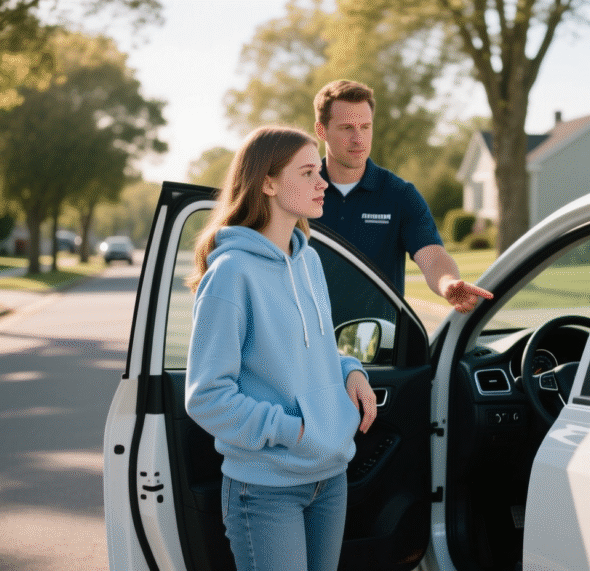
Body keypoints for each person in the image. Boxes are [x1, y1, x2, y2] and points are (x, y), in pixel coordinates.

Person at [184, 125, 377, 571]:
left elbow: (317, 349)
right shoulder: (231, 274)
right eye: (307, 173)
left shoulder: (307, 260)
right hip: (266, 489)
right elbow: (207, 396)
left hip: (329, 478)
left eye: (319, 172)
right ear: (267, 183)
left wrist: (352, 371)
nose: (322, 183)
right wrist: (294, 432)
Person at [313, 79, 493, 313]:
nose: (358, 139)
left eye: (365, 127)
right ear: (321, 130)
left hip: (378, 343)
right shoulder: (299, 191)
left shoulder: (400, 195)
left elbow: (433, 255)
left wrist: (447, 282)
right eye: (347, 128)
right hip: (305, 343)